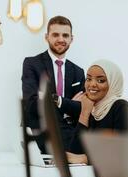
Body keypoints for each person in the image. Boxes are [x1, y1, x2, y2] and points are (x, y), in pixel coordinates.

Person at [21, 16, 85, 153]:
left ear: (71, 39)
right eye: (55, 34)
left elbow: (81, 109)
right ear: (46, 37)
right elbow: (31, 104)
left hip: (70, 139)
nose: (61, 39)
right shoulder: (31, 64)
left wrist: (49, 99)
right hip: (39, 137)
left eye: (65, 35)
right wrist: (66, 104)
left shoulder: (78, 72)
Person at [67, 59, 128, 164]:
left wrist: (86, 159)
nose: (92, 84)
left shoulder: (121, 108)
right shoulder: (92, 110)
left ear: (113, 83)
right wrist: (84, 114)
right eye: (88, 79)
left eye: (101, 80)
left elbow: (124, 154)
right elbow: (74, 154)